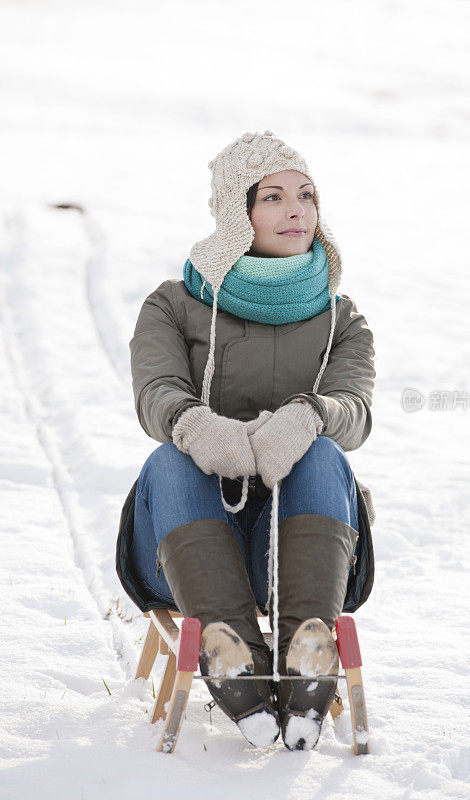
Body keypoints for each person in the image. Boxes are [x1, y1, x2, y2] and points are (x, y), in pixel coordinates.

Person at [116, 130, 376, 751]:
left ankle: (306, 650)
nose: (297, 210)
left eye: (307, 195)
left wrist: (311, 414)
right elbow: (156, 391)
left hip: (302, 546)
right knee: (168, 461)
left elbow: (357, 412)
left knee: (325, 453)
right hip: (188, 542)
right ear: (237, 212)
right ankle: (229, 656)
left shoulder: (342, 319)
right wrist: (194, 425)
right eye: (274, 196)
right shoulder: (174, 306)